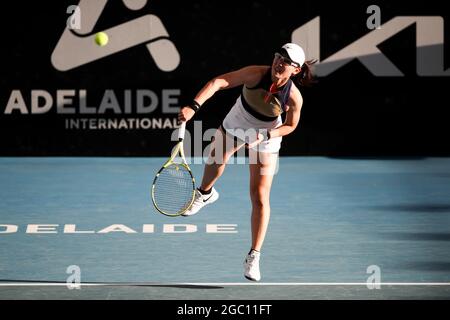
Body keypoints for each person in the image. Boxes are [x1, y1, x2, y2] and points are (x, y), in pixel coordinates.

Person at [178, 43, 315, 281]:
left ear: (296, 70)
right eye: (278, 56)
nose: (279, 62)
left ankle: (254, 255)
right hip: (240, 116)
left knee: (259, 195)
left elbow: (290, 125)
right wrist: (193, 106)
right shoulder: (255, 73)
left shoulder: (294, 97)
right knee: (216, 156)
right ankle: (205, 193)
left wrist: (266, 135)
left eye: (286, 61)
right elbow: (219, 82)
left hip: (268, 131)